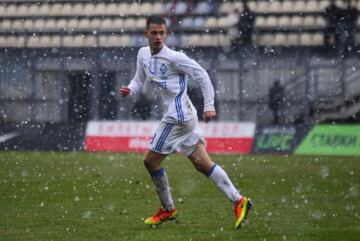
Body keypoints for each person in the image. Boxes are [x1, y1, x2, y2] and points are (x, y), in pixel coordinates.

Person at [119, 15, 252, 229]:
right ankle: (239, 201)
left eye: (162, 33)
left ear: (166, 34)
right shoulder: (143, 54)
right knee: (201, 162)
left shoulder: (174, 57)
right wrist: (130, 89)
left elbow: (202, 75)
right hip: (184, 115)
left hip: (178, 117)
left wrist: (209, 105)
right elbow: (138, 79)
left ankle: (168, 209)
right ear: (146, 34)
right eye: (154, 33)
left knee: (150, 162)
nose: (158, 37)